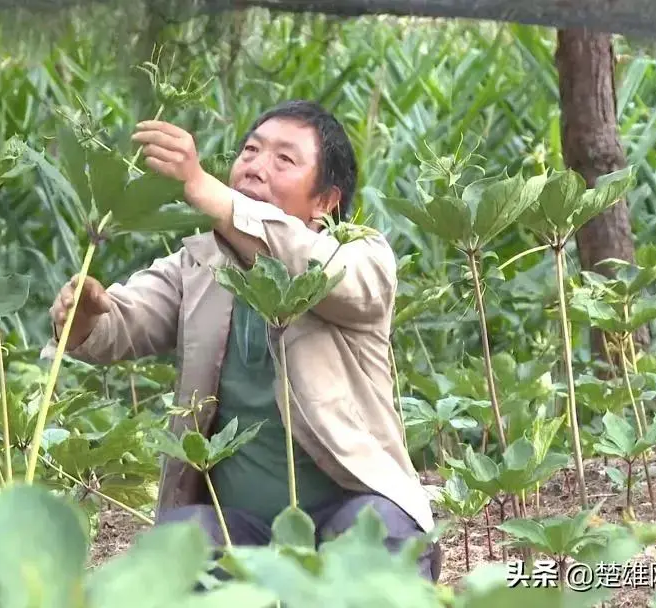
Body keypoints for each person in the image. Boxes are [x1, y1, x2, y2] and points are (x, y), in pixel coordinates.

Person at [43, 100, 441, 581]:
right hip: (243, 531)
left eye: (284, 159)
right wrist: (84, 316)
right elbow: (121, 324)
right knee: (176, 546)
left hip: (350, 513)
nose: (256, 165)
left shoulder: (360, 255)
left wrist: (202, 189)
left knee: (374, 537)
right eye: (251, 150)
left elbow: (338, 280)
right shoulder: (200, 264)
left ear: (326, 202)